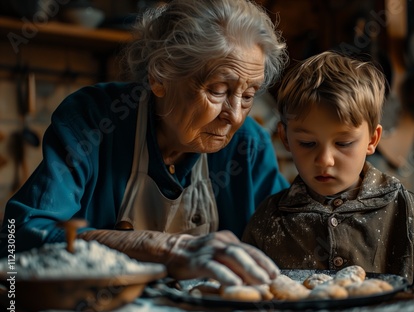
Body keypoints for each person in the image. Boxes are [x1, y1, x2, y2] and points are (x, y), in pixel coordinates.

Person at [0, 0, 289, 286]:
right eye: (217, 90)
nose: (235, 116)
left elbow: (285, 246)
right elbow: (17, 238)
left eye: (249, 95)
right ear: (159, 76)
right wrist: (162, 247)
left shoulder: (248, 145)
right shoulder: (94, 121)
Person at [242, 51, 414, 289]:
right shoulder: (269, 220)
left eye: (343, 143)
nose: (325, 160)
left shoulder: (405, 210)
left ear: (372, 140)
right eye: (307, 143)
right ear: (285, 138)